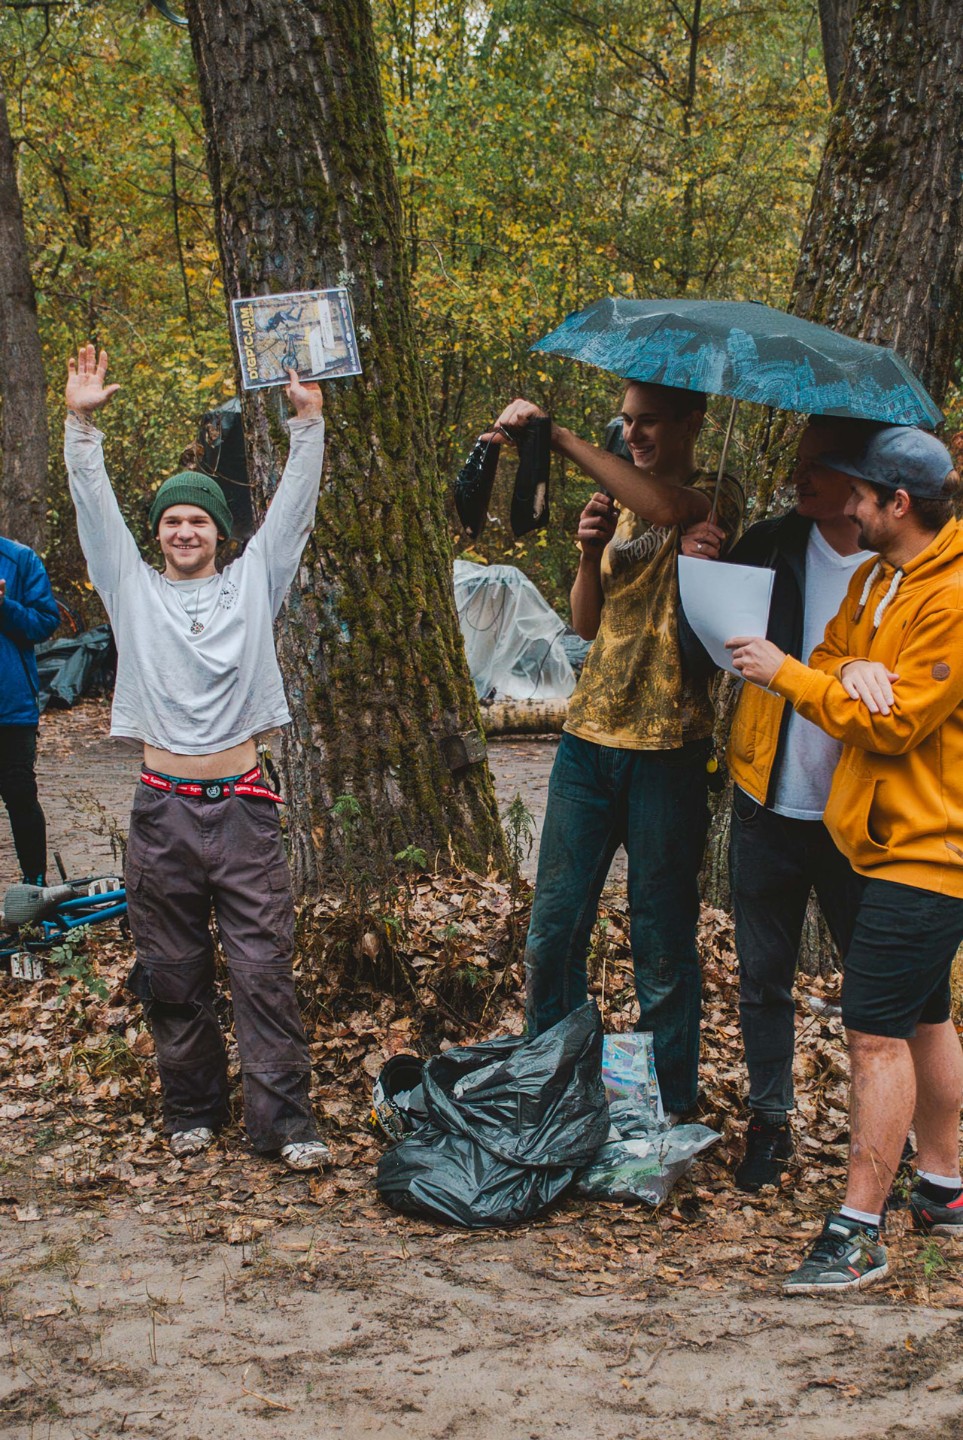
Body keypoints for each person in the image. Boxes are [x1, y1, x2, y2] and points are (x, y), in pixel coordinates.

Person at [63, 343, 330, 1172]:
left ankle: (284, 1126)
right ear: (158, 535)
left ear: (219, 532)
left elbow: (290, 514)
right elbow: (95, 512)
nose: (184, 530)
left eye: (199, 520)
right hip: (162, 810)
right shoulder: (131, 589)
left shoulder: (255, 583)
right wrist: (79, 425)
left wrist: (307, 425)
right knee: (173, 974)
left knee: (262, 974)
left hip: (245, 808)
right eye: (172, 521)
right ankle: (191, 1111)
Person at [727, 425, 963, 1294]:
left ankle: (857, 1229)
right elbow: (839, 666)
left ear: (897, 504)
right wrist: (855, 664)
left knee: (872, 1035)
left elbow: (894, 720)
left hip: (928, 850)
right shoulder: (875, 578)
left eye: (859, 495)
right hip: (877, 838)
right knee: (924, 1015)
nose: (847, 505)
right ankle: (942, 1185)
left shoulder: (953, 592)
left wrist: (792, 676)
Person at [489, 385, 744, 1116]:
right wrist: (588, 550)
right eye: (626, 422)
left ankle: (667, 1109)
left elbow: (672, 508)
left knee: (661, 943)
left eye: (649, 422)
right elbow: (586, 623)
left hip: (667, 748)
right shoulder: (623, 503)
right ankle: (556, 1089)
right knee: (552, 933)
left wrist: (558, 437)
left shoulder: (711, 489)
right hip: (586, 742)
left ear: (691, 424)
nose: (633, 434)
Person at [685, 418, 873, 1190]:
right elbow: (707, 635)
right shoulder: (770, 540)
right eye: (796, 464)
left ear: (859, 478)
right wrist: (699, 566)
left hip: (861, 814)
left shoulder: (900, 568)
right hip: (766, 794)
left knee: (877, 992)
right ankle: (770, 1123)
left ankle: (882, 1143)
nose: (799, 479)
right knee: (763, 975)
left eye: (816, 467)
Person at [0, 536, 60, 884]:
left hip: (10, 707)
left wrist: (4, 606)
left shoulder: (19, 559)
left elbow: (44, 622)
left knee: (20, 797)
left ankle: (35, 888)